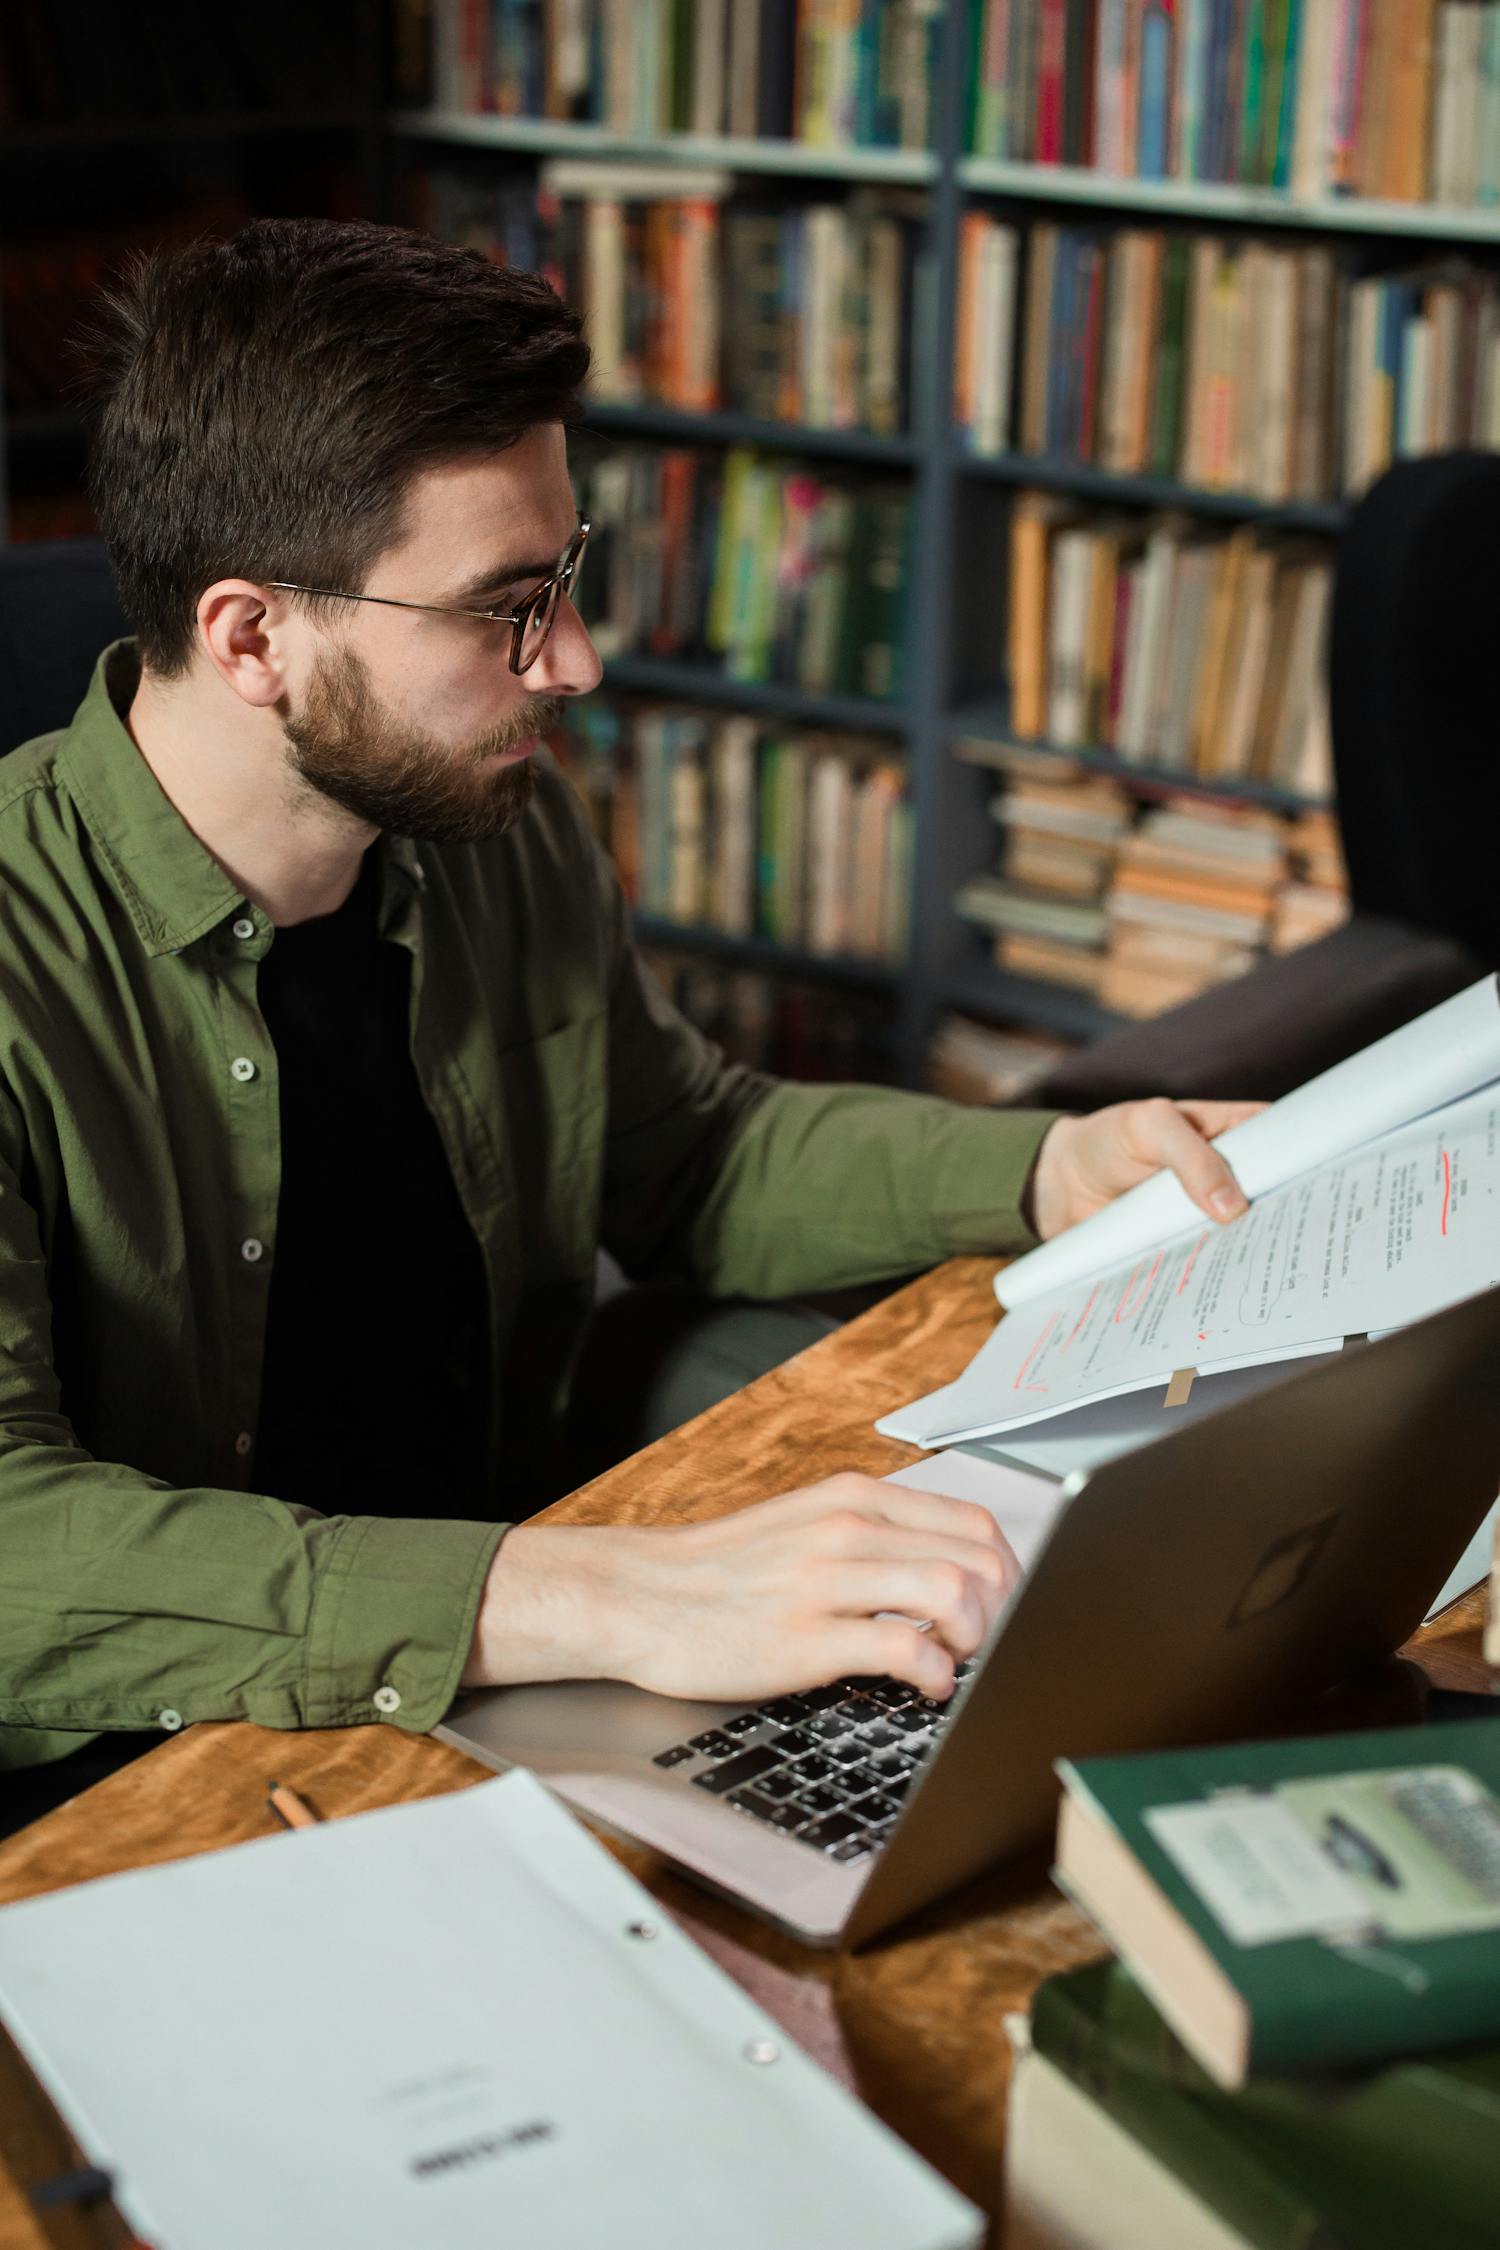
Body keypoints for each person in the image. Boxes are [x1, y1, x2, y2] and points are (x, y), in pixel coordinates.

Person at [0, 219, 1255, 1818]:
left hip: (507, 1664)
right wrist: (612, 1593)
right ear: (254, 636)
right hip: (171, 1743)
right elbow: (14, 1548)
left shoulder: (488, 829)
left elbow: (689, 1154)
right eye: (506, 607)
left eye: (568, 578)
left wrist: (1059, 1170)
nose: (576, 663)